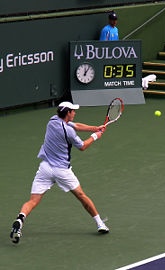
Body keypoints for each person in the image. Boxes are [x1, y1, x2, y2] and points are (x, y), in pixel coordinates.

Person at [10, 101, 109, 244]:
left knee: (32, 201)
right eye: (73, 111)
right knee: (82, 196)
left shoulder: (52, 120)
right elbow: (82, 146)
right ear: (68, 113)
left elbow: (77, 125)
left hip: (45, 169)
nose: (75, 113)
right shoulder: (68, 132)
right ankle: (100, 224)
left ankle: (20, 219)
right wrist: (95, 136)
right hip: (62, 171)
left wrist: (96, 128)